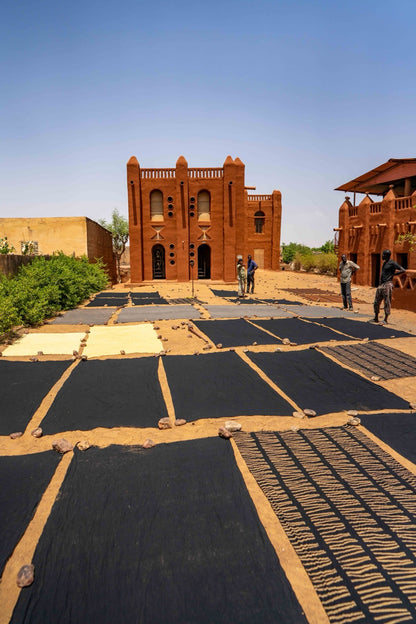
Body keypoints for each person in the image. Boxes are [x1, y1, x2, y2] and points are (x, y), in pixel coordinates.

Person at [372, 249, 406, 324]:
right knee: (376, 302)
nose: (382, 256)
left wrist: (394, 275)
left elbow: (403, 270)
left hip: (388, 284)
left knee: (387, 302)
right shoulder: (384, 263)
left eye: (383, 255)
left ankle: (385, 319)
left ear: (387, 255)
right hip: (381, 284)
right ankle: (376, 317)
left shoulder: (392, 263)